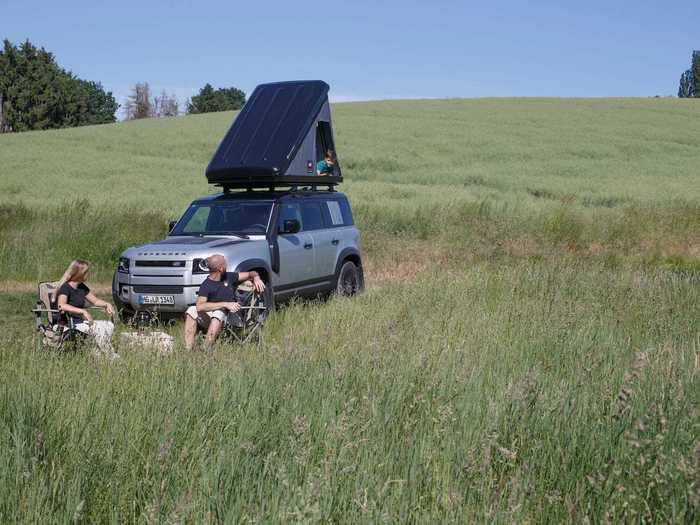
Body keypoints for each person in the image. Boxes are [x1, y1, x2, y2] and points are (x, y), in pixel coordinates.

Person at [184, 254, 265, 350]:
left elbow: (251, 273)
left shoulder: (230, 277)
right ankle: (188, 349)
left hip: (233, 317)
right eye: (225, 264)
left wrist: (256, 278)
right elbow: (200, 307)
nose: (227, 266)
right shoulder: (206, 285)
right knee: (191, 310)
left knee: (218, 313)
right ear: (221, 269)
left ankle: (205, 349)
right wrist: (225, 304)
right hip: (213, 317)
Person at [55, 259, 117, 356]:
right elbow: (61, 305)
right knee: (99, 329)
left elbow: (95, 301)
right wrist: (83, 311)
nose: (89, 274)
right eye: (87, 272)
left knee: (107, 325)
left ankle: (98, 353)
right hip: (67, 325)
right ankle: (111, 356)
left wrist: (107, 304)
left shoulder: (81, 287)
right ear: (80, 273)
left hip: (79, 323)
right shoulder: (65, 287)